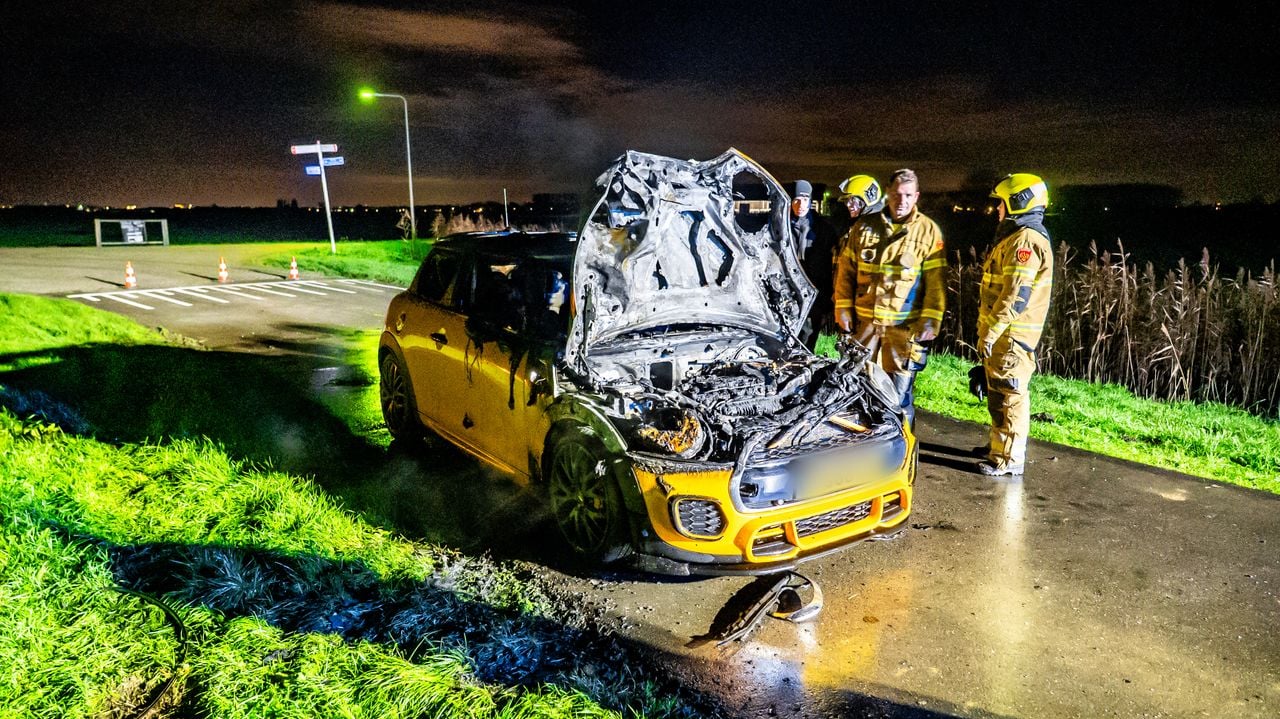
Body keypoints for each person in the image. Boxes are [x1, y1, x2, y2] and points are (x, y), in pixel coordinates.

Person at [832, 168, 946, 427]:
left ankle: (902, 447)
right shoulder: (864, 227)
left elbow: (936, 284)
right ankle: (863, 443)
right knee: (857, 386)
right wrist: (842, 308)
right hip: (865, 326)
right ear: (888, 194)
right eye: (896, 194)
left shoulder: (929, 232)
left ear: (916, 196)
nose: (901, 200)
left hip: (903, 332)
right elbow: (845, 273)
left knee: (899, 395)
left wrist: (931, 320)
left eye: (907, 195)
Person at [976, 173, 1054, 476]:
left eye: (1002, 203)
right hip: (1004, 336)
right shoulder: (1018, 236)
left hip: (1010, 337)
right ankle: (999, 446)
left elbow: (1014, 296)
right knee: (998, 392)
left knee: (1010, 395)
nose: (998, 210)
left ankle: (1008, 459)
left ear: (1018, 202)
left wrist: (992, 332)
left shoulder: (1025, 240)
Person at [789, 180, 838, 350]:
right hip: (788, 292)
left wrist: (828, 300)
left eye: (804, 199)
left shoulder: (824, 229)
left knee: (809, 337)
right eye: (796, 199)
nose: (800, 204)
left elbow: (831, 266)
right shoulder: (781, 226)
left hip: (815, 293)